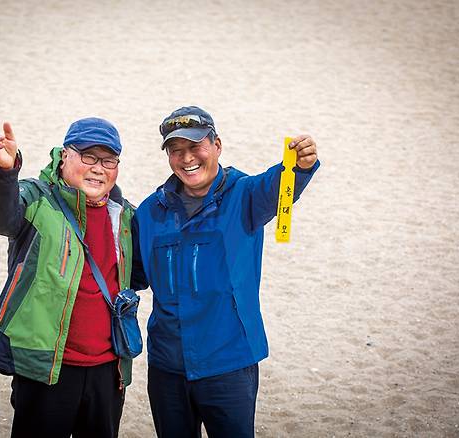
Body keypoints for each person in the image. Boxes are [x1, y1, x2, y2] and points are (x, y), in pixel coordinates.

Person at [130, 106, 320, 438]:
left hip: (228, 365)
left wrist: (301, 165)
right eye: (176, 150)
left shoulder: (246, 195)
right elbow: (133, 275)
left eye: (195, 147)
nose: (186, 158)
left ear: (217, 145)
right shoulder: (150, 212)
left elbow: (278, 184)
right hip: (167, 367)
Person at [0, 117, 135, 438]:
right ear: (64, 156)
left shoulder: (125, 214)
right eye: (88, 156)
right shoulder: (37, 198)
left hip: (109, 370)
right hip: (47, 367)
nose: (98, 168)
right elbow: (2, 218)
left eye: (108, 160)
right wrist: (7, 172)